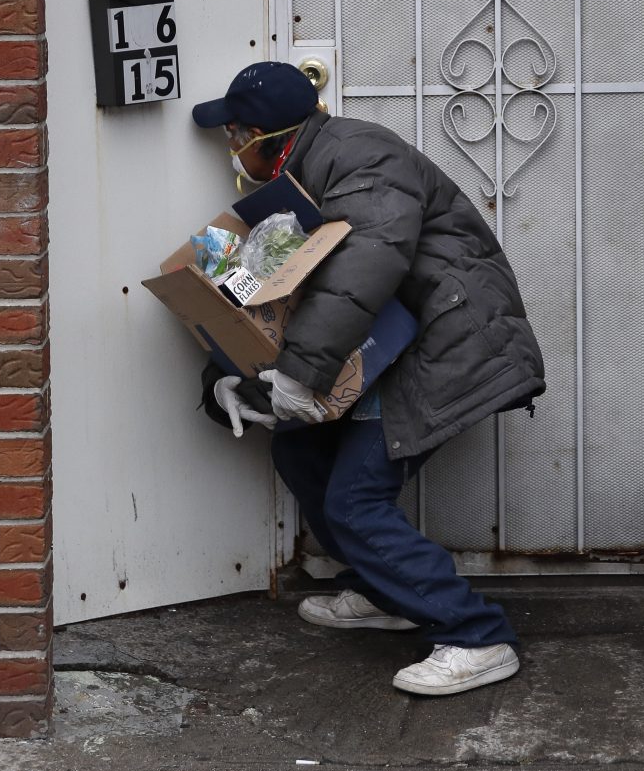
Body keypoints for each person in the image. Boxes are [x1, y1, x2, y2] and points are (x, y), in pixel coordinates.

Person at [191, 61, 546, 697]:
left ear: (271, 134)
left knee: (354, 501)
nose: (232, 144)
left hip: (445, 343)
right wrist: (226, 381)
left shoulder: (360, 157)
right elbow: (277, 301)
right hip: (390, 349)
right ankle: (384, 592)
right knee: (300, 451)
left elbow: (365, 267)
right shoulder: (300, 175)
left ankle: (476, 634)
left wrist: (299, 376)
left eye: (238, 130)